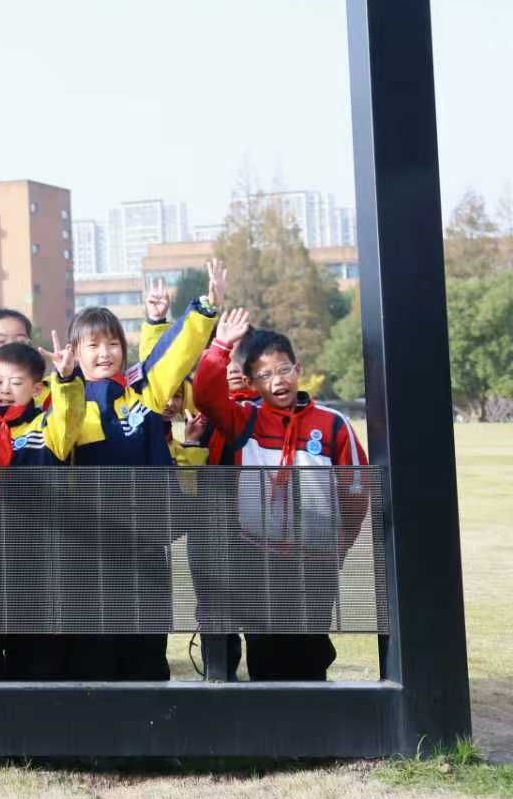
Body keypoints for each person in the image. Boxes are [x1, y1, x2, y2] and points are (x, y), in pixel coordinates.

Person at [59, 257, 220, 681]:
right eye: (93, 345)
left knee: (147, 652)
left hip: (145, 548)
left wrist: (203, 309)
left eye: (112, 344)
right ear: (74, 353)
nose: (104, 353)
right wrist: (64, 385)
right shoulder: (64, 404)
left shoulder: (143, 396)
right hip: (90, 553)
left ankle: (152, 722)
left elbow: (171, 356)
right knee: (95, 655)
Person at [191, 307, 370, 681]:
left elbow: (356, 491)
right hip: (259, 560)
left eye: (284, 369)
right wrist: (220, 346)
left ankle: (314, 716)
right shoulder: (245, 419)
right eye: (265, 375)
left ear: (298, 368)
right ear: (251, 382)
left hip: (316, 563)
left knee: (310, 652)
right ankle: (269, 717)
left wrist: (340, 545)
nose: (277, 381)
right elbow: (206, 395)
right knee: (265, 654)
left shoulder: (333, 424)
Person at [0, 337, 86, 681]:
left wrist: (66, 380)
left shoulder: (46, 429)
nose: (5, 390)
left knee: (37, 656)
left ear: (36, 388)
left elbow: (70, 415)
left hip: (38, 561)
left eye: (16, 383)